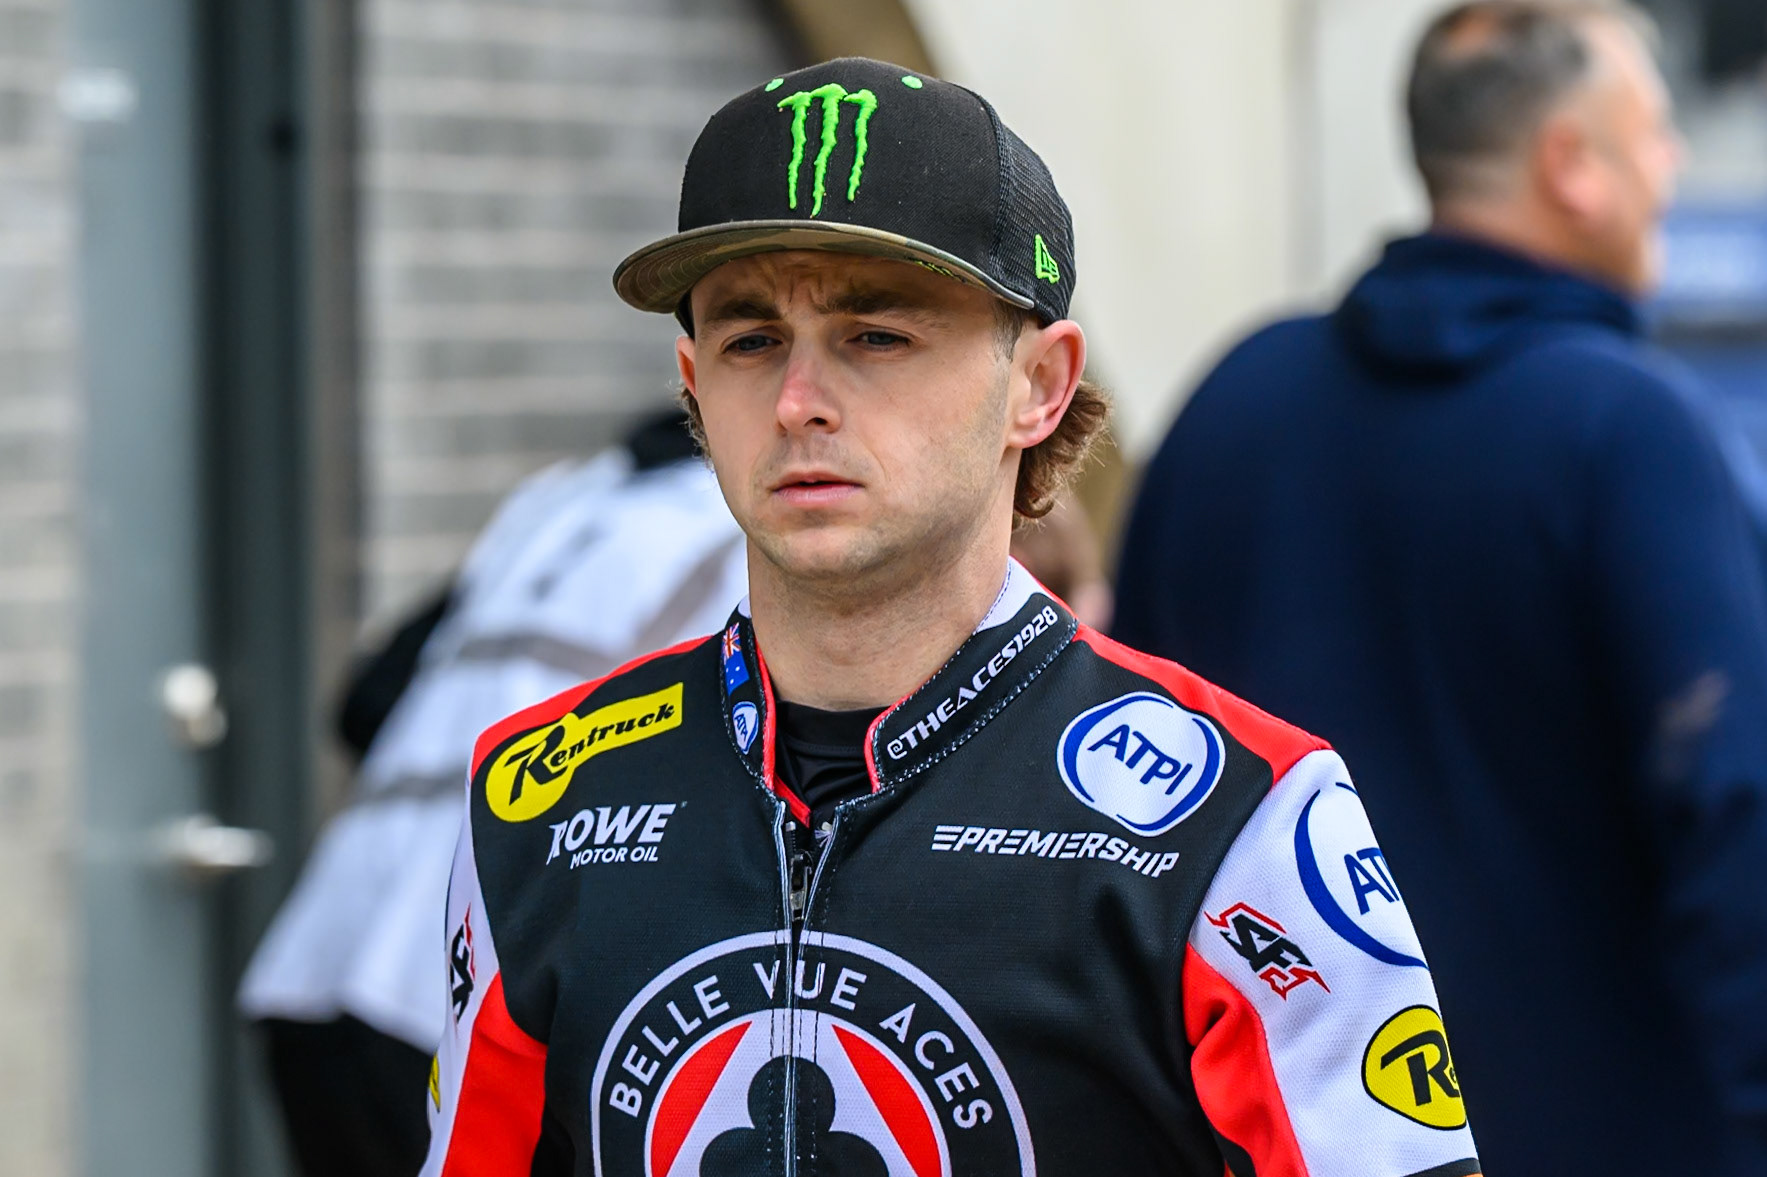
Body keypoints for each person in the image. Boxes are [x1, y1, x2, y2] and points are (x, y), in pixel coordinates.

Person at [422, 57, 1482, 1177]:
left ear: (1040, 383)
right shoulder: (538, 797)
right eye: (749, 339)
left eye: (876, 334)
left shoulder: (1244, 818)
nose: (796, 401)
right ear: (692, 381)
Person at [1113, 4, 1767, 1175]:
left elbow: (1120, 811)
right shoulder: (1629, 429)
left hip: (1288, 1138)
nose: (1672, 166)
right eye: (1655, 131)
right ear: (1572, 165)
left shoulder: (1234, 403)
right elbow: (1740, 817)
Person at [239, 411, 745, 1177]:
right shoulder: (746, 523)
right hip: (454, 989)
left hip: (318, 956)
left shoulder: (558, 496)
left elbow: (365, 704)